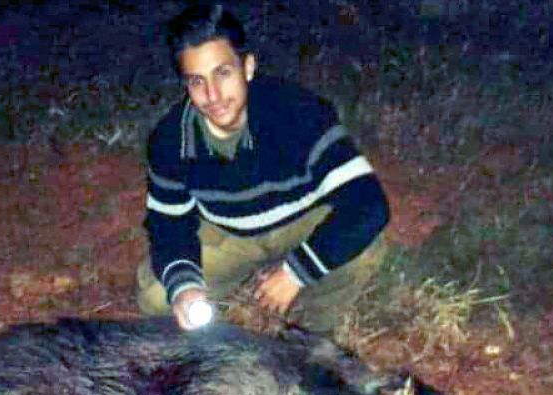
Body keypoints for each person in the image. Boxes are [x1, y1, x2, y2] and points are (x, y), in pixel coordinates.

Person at [136, 3, 390, 334]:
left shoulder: (299, 113)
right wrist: (185, 288)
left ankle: (309, 336)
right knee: (156, 297)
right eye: (197, 81)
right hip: (230, 232)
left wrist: (296, 272)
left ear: (248, 67)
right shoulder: (170, 140)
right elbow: (168, 226)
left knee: (363, 248)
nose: (212, 95)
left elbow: (369, 203)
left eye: (223, 73)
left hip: (301, 222)